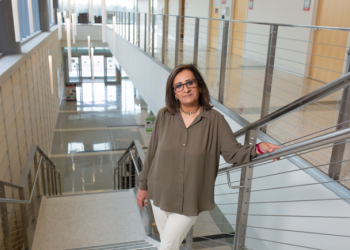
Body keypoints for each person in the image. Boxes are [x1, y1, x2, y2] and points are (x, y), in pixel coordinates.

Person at [137, 64, 281, 250]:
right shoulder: (164, 116)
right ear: (174, 93)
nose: (185, 88)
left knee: (166, 246)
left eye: (190, 82)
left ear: (200, 86)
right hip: (160, 193)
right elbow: (152, 154)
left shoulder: (215, 120)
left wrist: (260, 148)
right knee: (169, 244)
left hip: (190, 199)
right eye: (179, 86)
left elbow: (233, 153)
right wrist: (142, 187)